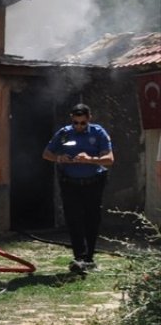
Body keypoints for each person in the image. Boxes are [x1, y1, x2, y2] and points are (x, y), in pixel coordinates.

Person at [42, 103, 114, 274]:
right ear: (71, 120)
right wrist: (60, 158)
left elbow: (109, 160)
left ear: (89, 119)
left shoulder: (98, 133)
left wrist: (90, 159)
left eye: (82, 123)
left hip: (93, 182)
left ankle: (89, 258)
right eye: (76, 122)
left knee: (92, 219)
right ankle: (79, 257)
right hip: (70, 183)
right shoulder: (64, 133)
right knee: (74, 219)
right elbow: (46, 154)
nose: (79, 126)